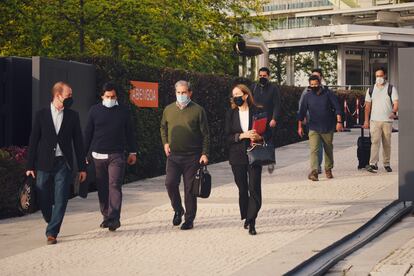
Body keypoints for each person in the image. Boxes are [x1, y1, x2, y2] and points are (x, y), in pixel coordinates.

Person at [26, 81, 87, 245]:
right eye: (69, 95)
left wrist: (82, 167)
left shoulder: (73, 115)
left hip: (63, 163)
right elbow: (33, 140)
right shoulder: (41, 115)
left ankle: (52, 232)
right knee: (42, 194)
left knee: (61, 198)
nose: (71, 98)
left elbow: (78, 142)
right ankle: (50, 218)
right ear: (58, 95)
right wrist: (29, 166)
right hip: (44, 163)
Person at [84, 82, 137, 231]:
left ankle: (114, 218)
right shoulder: (94, 111)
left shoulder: (123, 111)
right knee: (102, 187)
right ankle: (106, 216)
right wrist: (83, 154)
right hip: (97, 155)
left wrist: (133, 152)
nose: (110, 99)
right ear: (102, 96)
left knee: (114, 185)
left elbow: (129, 132)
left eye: (113, 96)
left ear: (116, 96)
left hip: (117, 155)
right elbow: (87, 133)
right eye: (107, 96)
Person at [160, 80, 210, 230]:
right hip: (174, 156)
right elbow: (163, 127)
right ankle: (178, 209)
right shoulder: (168, 110)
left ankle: (189, 219)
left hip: (192, 156)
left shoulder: (198, 110)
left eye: (184, 92)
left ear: (190, 93)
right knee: (170, 183)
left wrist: (205, 153)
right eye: (178, 93)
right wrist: (165, 143)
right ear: (175, 93)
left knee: (190, 190)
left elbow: (206, 134)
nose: (181, 95)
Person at [225, 84, 271, 235]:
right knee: (242, 188)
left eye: (238, 94)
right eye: (234, 95)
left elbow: (268, 133)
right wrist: (242, 136)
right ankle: (246, 214)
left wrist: (259, 136)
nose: (236, 97)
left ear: (245, 95)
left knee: (254, 188)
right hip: (237, 156)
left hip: (254, 154)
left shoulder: (258, 111)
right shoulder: (230, 114)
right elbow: (226, 137)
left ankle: (252, 220)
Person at [297, 75, 343, 181]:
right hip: (313, 127)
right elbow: (301, 112)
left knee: (328, 149)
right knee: (314, 150)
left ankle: (328, 168)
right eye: (311, 85)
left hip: (328, 126)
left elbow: (337, 108)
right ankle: (314, 171)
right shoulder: (307, 96)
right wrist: (299, 127)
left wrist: (339, 122)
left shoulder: (328, 94)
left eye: (315, 84)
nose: (314, 86)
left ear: (320, 83)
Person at [363, 67, 399, 173]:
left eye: (380, 76)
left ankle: (386, 163)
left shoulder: (391, 88)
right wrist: (366, 121)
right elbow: (367, 106)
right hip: (374, 120)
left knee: (387, 143)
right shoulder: (370, 89)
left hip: (387, 121)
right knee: (375, 142)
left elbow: (396, 102)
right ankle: (373, 163)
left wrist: (394, 112)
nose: (379, 78)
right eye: (377, 76)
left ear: (385, 76)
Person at [250, 67, 281, 174]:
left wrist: (274, 118)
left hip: (268, 119)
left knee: (269, 140)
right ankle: (257, 160)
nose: (262, 77)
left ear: (268, 76)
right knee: (255, 140)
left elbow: (277, 104)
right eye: (260, 76)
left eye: (264, 76)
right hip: (257, 118)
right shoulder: (254, 87)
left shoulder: (273, 88)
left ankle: (271, 160)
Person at [298, 69, 325, 174]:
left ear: (321, 79)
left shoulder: (325, 91)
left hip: (323, 123)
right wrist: (302, 119)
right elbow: (301, 106)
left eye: (317, 77)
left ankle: (318, 165)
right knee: (314, 145)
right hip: (311, 122)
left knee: (321, 145)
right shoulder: (306, 91)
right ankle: (314, 167)